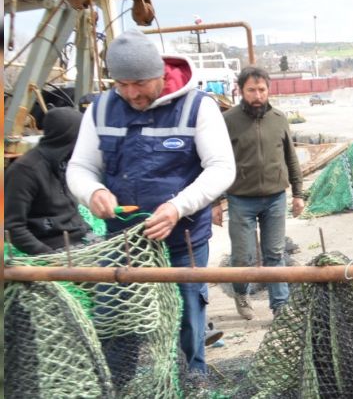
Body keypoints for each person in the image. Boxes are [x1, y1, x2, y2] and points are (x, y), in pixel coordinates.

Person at [67, 29, 235, 375]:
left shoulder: (197, 107)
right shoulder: (99, 110)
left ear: (159, 73)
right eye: (122, 84)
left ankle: (192, 379)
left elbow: (222, 169)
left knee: (188, 317)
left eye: (140, 83)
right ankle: (123, 383)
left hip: (182, 241)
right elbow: (80, 167)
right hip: (122, 243)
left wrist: (177, 207)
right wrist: (92, 192)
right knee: (118, 320)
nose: (131, 93)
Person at [212, 66, 304, 320]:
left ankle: (280, 307)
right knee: (243, 257)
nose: (257, 95)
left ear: (268, 90)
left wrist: (298, 193)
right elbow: (215, 162)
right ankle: (241, 293)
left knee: (275, 254)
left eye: (261, 90)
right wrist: (215, 202)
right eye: (251, 90)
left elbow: (291, 158)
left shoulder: (278, 118)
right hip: (241, 199)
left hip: (275, 198)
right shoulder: (228, 121)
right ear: (241, 91)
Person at [5, 106, 92, 255]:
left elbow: (70, 211)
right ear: (67, 138)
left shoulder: (63, 162)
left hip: (79, 240)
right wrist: (48, 257)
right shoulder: (25, 171)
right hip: (53, 246)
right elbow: (12, 227)